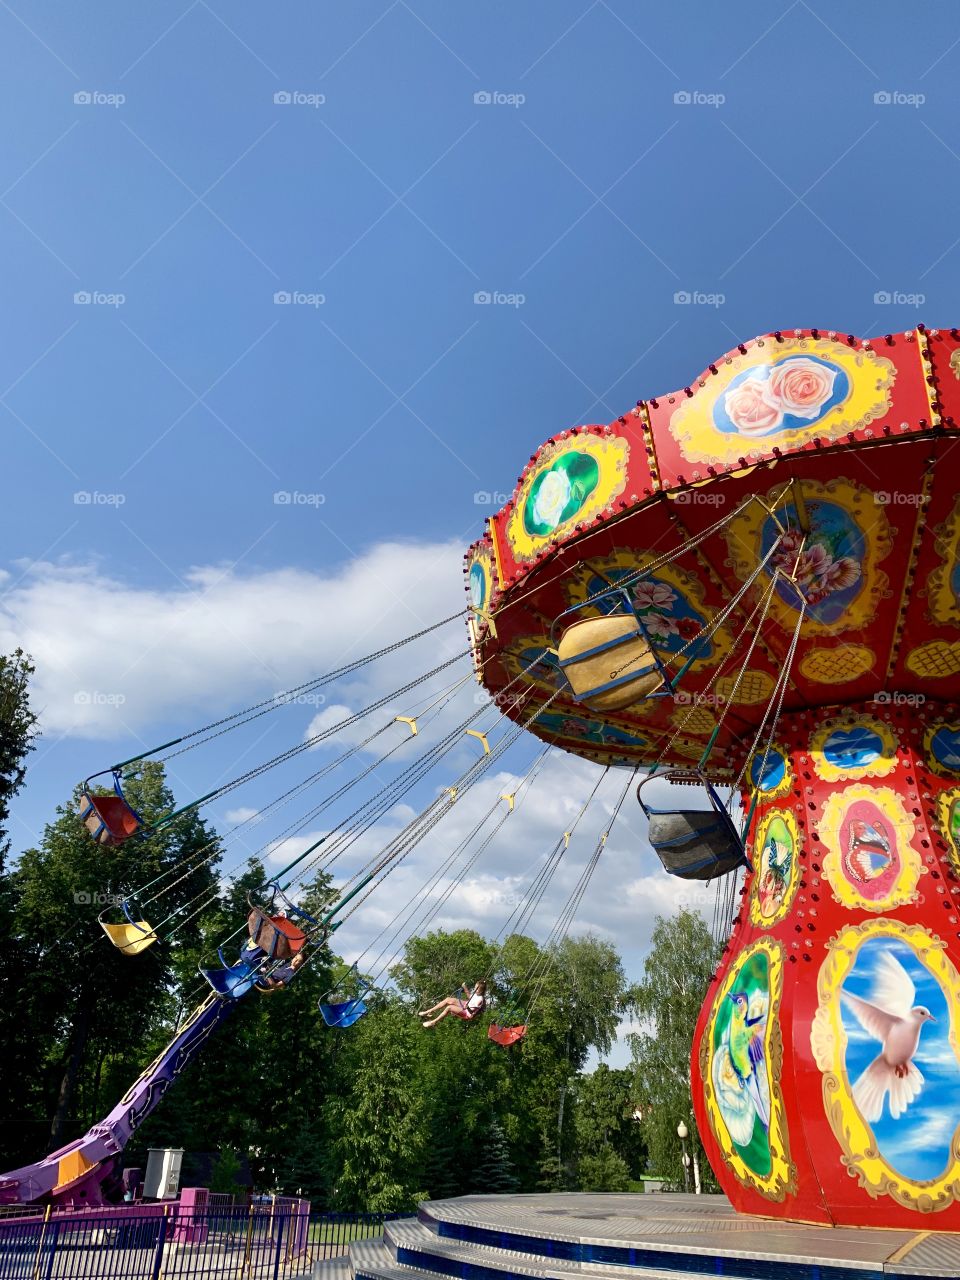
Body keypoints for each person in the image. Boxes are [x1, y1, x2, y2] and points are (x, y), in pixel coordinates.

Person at [419, 980, 487, 1028]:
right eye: (475, 987)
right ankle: (429, 1011)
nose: (475, 989)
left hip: (467, 1012)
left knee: (449, 1007)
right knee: (448, 999)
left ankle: (433, 1022)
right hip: (466, 1005)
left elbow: (471, 1011)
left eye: (476, 989)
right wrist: (465, 987)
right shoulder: (476, 994)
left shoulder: (480, 999)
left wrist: (467, 1007)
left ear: (481, 991)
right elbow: (470, 997)